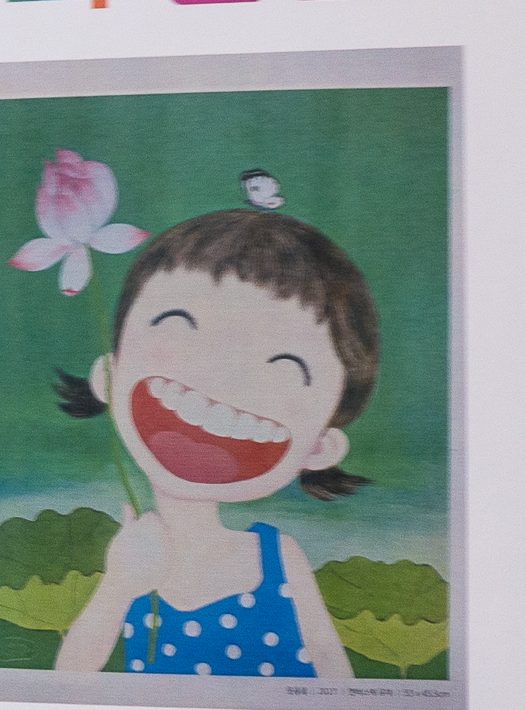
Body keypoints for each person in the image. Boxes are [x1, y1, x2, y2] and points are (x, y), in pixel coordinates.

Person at [49, 209, 372, 677]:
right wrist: (118, 585)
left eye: (283, 367)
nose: (222, 378)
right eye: (178, 327)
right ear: (109, 377)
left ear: (320, 448)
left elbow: (335, 676)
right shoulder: (130, 562)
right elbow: (67, 683)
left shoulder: (278, 559)